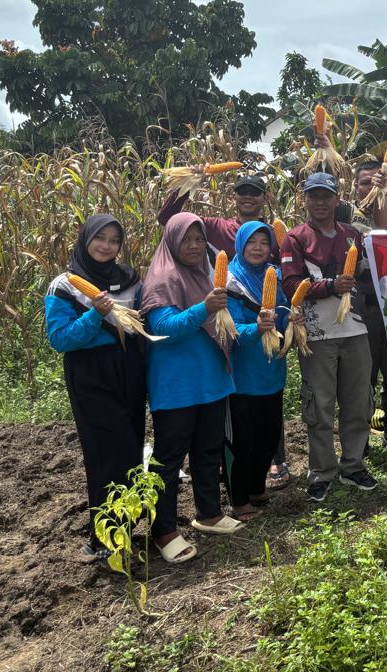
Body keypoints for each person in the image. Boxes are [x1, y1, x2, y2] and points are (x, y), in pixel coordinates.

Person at [159, 170, 294, 492]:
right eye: (243, 192)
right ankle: (238, 481)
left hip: (269, 342)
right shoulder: (217, 227)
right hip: (230, 323)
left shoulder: (275, 233)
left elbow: (284, 291)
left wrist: (289, 319)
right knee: (241, 420)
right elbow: (170, 220)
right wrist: (187, 181)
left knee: (268, 416)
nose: (248, 197)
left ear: (265, 197)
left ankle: (272, 463)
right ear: (234, 196)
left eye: (256, 192)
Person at [140, 213, 243, 563]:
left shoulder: (205, 273)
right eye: (188, 239)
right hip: (177, 384)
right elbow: (162, 327)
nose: (196, 246)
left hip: (210, 380)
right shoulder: (162, 278)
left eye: (200, 239)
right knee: (168, 460)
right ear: (172, 241)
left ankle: (209, 513)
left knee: (207, 450)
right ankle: (164, 530)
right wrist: (203, 308)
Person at [44, 214, 146, 563]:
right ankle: (106, 541)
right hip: (91, 374)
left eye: (114, 240)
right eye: (99, 238)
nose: (106, 246)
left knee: (131, 450)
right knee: (108, 455)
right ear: (85, 240)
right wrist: (94, 314)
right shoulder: (65, 285)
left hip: (129, 370)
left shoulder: (130, 279)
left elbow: (141, 324)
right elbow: (60, 339)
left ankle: (125, 531)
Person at [280, 171, 377, 500]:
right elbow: (291, 285)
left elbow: (368, 271)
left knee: (358, 402)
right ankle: (321, 470)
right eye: (313, 196)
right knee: (319, 406)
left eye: (326, 196)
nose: (320, 202)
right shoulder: (295, 238)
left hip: (356, 330)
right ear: (304, 199)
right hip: (317, 334)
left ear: (337, 199)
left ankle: (353, 464)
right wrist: (329, 286)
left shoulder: (353, 235)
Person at [223, 221, 296, 522]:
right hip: (242, 376)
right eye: (251, 242)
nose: (257, 248)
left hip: (272, 371)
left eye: (264, 243)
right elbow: (228, 327)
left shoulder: (276, 276)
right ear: (240, 245)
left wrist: (293, 320)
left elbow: (282, 315)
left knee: (268, 437)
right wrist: (255, 328)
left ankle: (255, 488)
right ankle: (239, 499)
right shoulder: (231, 281)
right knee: (243, 440)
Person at [350, 160, 387, 450]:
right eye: (365, 183)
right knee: (363, 374)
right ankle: (359, 437)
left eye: (375, 182)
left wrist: (381, 195)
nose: (370, 188)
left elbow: (386, 228)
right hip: (361, 300)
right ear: (354, 186)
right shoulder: (344, 213)